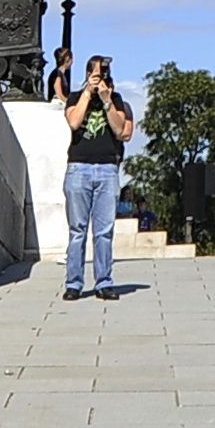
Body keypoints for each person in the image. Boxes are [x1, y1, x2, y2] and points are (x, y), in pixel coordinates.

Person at [61, 53, 136, 301]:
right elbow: (73, 122)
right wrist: (86, 93)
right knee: (77, 230)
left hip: (107, 169)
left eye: (104, 74)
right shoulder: (74, 97)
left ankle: (104, 282)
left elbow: (119, 129)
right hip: (79, 168)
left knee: (104, 231)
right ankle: (74, 283)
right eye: (96, 74)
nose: (101, 77)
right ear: (87, 75)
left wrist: (106, 101)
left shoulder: (116, 99)